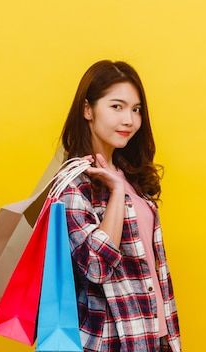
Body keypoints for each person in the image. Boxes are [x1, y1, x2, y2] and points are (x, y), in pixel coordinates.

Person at [57, 60, 181, 352]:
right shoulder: (73, 184)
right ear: (88, 109)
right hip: (112, 342)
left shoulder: (131, 174)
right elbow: (97, 267)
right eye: (117, 107)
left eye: (136, 109)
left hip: (156, 335)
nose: (129, 120)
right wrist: (115, 191)